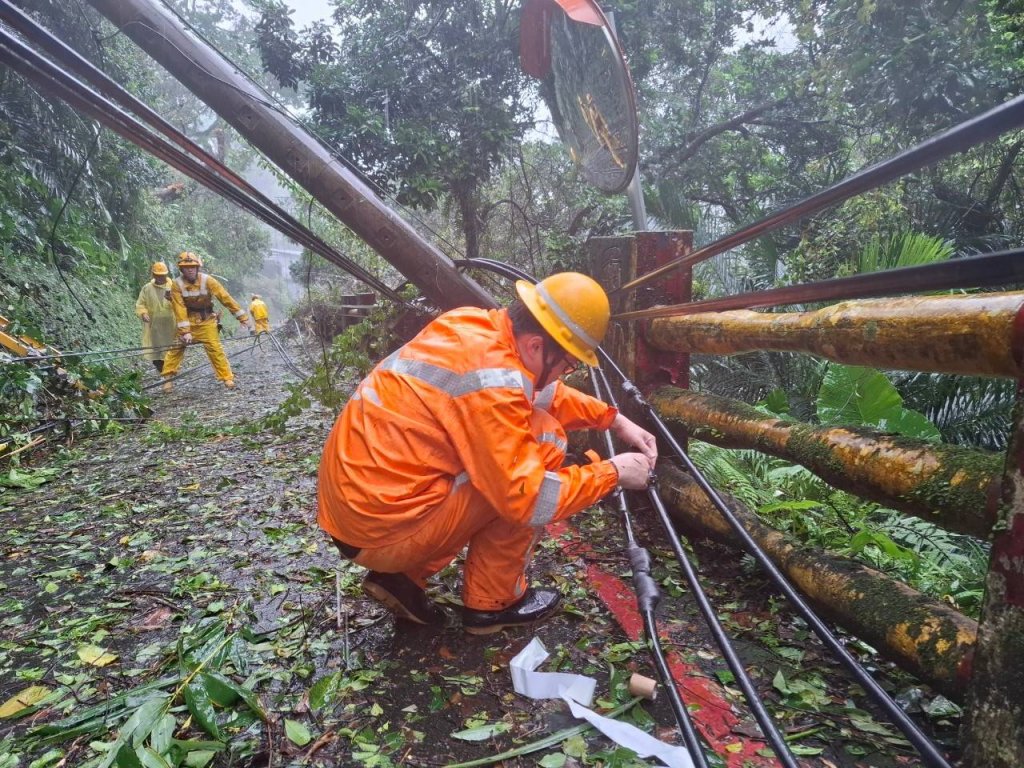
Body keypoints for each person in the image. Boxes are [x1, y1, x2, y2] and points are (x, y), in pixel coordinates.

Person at [318, 272, 657, 634]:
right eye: (567, 364)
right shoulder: (496, 380)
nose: (564, 374)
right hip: (383, 532)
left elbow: (539, 393)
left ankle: (402, 578)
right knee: (545, 441)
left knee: (514, 442)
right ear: (536, 346)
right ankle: (494, 604)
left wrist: (613, 419)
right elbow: (528, 498)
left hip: (356, 514)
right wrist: (613, 472)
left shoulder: (473, 327)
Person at [161, 251, 252, 392]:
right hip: (187, 320)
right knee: (175, 349)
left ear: (198, 267)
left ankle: (227, 378)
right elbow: (179, 308)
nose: (190, 269)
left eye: (192, 266)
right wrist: (185, 332)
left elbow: (225, 297)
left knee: (215, 349)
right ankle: (168, 379)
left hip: (206, 320)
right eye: (186, 267)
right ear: (181, 269)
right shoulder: (176, 285)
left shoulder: (208, 280)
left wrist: (242, 317)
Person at [134, 261, 176, 374]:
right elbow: (140, 303)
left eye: (162, 275)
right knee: (156, 351)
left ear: (166, 275)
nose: (160, 277)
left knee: (171, 350)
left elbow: (182, 304)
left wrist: (172, 299)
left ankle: (169, 373)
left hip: (171, 326)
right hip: (154, 326)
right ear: (153, 275)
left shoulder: (174, 287)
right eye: (158, 275)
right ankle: (163, 371)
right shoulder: (147, 288)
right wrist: (143, 313)